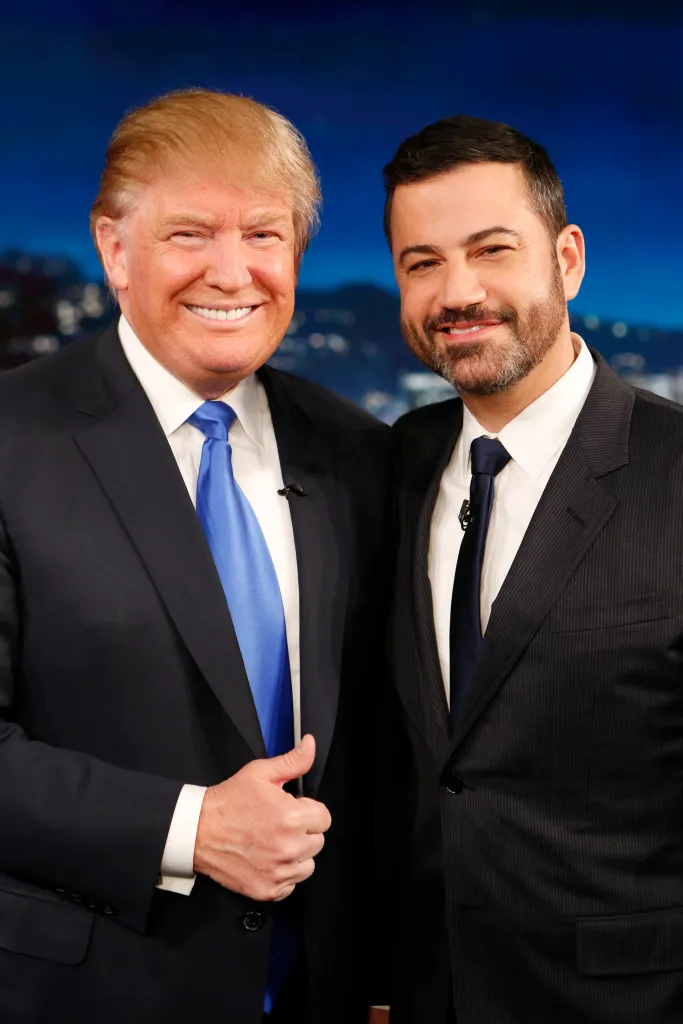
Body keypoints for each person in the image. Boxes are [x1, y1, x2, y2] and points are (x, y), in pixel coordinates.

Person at [0, 89, 391, 1024]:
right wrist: (190, 828)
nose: (233, 271)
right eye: (189, 234)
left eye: (264, 234)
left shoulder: (360, 452)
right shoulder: (12, 439)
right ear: (113, 248)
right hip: (82, 993)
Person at [382, 114, 683, 1024]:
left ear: (568, 258)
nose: (455, 292)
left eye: (490, 250)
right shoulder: (392, 465)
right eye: (421, 262)